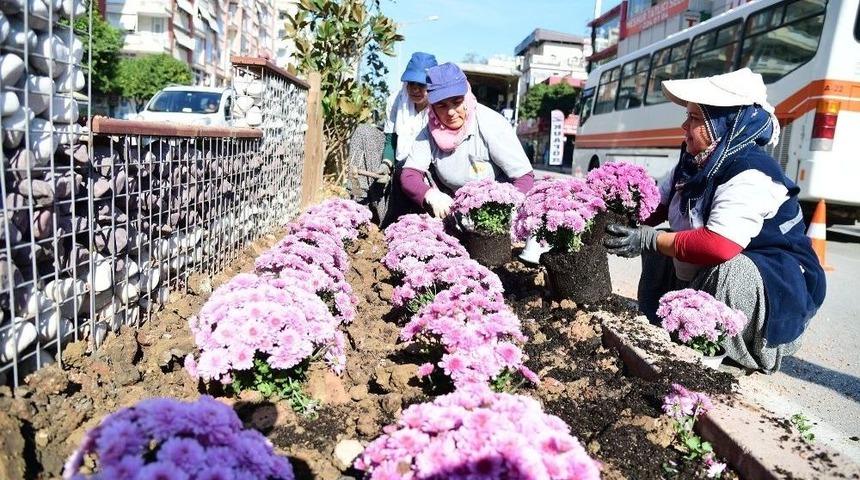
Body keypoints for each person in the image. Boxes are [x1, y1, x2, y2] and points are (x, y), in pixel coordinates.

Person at [603, 68, 826, 374]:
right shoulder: (696, 163)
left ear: (724, 125)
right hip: (728, 271)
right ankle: (665, 324)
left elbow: (718, 245)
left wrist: (648, 238)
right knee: (665, 241)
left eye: (694, 118)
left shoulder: (750, 172)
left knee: (726, 265)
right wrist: (613, 211)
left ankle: (730, 347)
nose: (684, 125)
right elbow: (656, 204)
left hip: (776, 293)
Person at [400, 62, 534, 218]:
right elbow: (409, 175)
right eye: (441, 105)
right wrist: (431, 195)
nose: (450, 112)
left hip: (495, 207)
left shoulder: (491, 123)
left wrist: (508, 210)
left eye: (457, 102)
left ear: (467, 97)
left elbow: (524, 177)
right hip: (453, 206)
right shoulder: (429, 131)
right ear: (432, 108)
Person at [373, 52, 438, 227]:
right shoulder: (395, 101)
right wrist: (386, 164)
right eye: (411, 84)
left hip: (432, 166)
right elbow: (391, 139)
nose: (415, 90)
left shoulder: (440, 105)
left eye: (421, 85)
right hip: (403, 165)